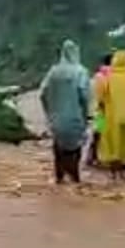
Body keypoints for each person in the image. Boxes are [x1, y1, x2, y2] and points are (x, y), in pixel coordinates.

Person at [38, 40, 92, 185]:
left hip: (56, 120)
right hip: (75, 118)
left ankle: (59, 178)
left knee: (59, 149)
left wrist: (49, 113)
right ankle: (75, 179)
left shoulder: (53, 71)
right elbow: (84, 96)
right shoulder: (81, 71)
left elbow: (42, 94)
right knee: (75, 149)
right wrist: (86, 116)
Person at [86, 53, 114, 168]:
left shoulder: (98, 76)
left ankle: (92, 157)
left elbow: (93, 93)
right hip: (114, 109)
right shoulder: (117, 74)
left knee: (97, 134)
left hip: (101, 109)